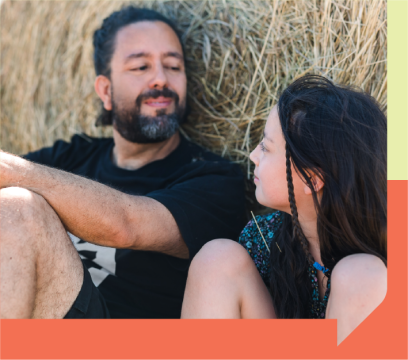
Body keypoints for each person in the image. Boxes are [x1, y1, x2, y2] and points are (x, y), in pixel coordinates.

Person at [0, 6, 246, 319]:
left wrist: (9, 172)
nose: (160, 79)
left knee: (19, 208)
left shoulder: (214, 180)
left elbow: (125, 227)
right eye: (141, 67)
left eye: (173, 66)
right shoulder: (72, 157)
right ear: (105, 90)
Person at [181, 74, 387, 345]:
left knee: (361, 274)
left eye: (266, 148)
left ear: (312, 180)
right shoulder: (263, 239)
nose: (253, 155)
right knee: (217, 258)